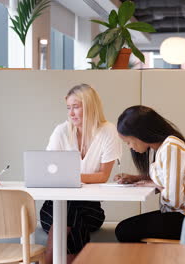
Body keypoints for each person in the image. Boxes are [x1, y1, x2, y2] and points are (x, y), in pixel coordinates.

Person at [40, 84, 122, 263]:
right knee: (68, 211)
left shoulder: (108, 131)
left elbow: (102, 176)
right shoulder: (61, 131)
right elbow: (48, 172)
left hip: (90, 208)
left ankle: (46, 260)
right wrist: (68, 179)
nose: (71, 113)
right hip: (53, 209)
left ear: (90, 106)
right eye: (68, 108)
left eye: (76, 107)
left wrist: (68, 177)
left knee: (69, 212)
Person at [114, 105, 185, 242]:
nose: (130, 146)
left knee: (124, 230)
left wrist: (157, 185)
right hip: (184, 214)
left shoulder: (171, 147)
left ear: (141, 134)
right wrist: (138, 179)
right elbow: (167, 180)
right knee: (125, 229)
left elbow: (175, 200)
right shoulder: (163, 147)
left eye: (128, 142)